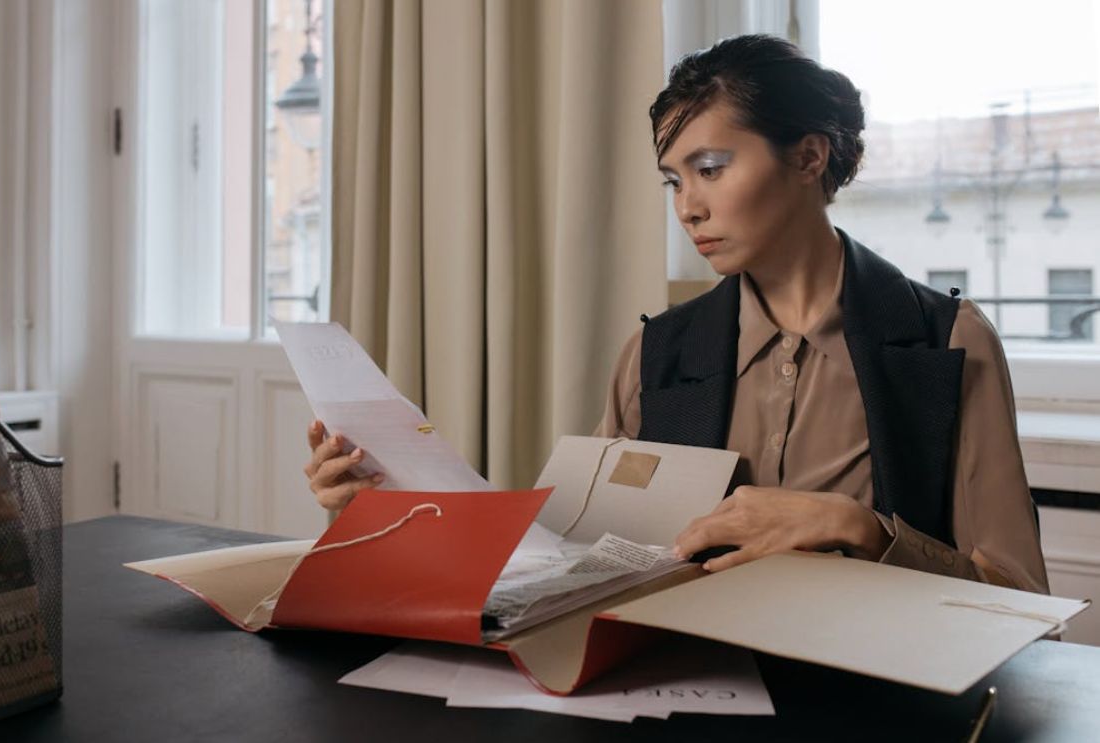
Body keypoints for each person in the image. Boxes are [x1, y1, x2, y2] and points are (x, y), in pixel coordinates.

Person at [304, 34, 1048, 594]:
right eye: (672, 180)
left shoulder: (945, 343)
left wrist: (860, 529)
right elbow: (567, 560)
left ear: (809, 157)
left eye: (711, 168)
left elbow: (1018, 598)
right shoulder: (654, 354)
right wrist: (392, 507)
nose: (687, 206)